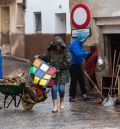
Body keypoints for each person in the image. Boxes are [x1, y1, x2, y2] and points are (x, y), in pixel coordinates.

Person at [44, 36, 71, 113]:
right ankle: (55, 106)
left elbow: (69, 61)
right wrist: (39, 58)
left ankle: (62, 100)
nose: (58, 47)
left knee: (61, 89)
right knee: (54, 89)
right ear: (54, 45)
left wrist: (61, 66)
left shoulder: (65, 51)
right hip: (53, 73)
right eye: (57, 45)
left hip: (62, 73)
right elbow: (47, 58)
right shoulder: (51, 51)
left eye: (59, 45)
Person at [68, 31, 93, 102]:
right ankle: (71, 97)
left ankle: (84, 95)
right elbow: (78, 53)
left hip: (77, 64)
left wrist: (87, 56)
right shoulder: (75, 44)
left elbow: (81, 52)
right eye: (85, 39)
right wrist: (86, 53)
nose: (85, 40)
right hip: (72, 65)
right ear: (82, 39)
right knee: (74, 81)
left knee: (81, 80)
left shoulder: (79, 43)